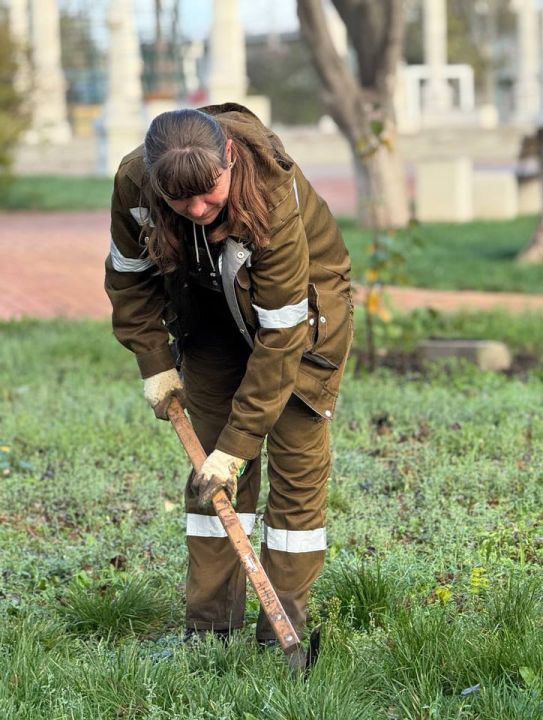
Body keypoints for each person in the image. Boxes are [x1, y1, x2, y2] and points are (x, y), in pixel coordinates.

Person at [104, 103, 353, 645]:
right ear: (154, 182)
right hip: (209, 319)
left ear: (231, 159)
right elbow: (128, 279)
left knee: (295, 466)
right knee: (211, 475)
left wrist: (240, 444)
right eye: (180, 200)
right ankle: (211, 626)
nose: (196, 209)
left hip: (300, 320)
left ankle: (280, 626)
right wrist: (156, 364)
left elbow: (280, 335)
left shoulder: (270, 188)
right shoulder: (134, 183)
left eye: (209, 194)